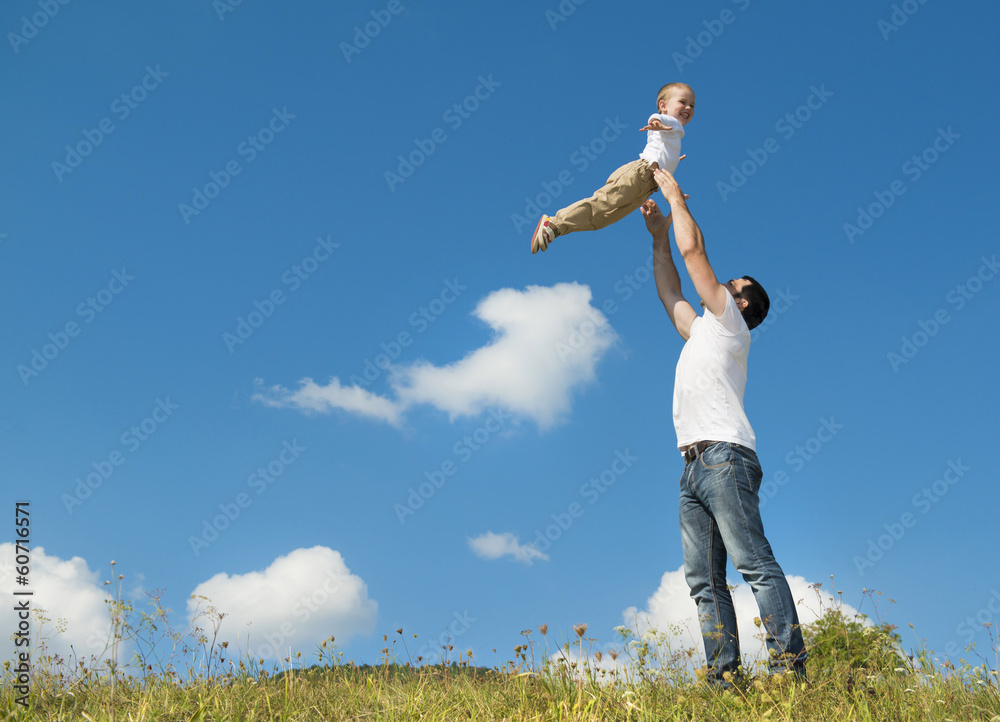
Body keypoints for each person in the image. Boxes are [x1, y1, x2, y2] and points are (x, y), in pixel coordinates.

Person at [641, 167, 806, 688]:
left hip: (725, 457)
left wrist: (673, 195)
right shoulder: (702, 334)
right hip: (693, 467)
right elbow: (670, 289)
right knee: (704, 583)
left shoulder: (732, 327)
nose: (720, 282)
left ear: (740, 304)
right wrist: (658, 235)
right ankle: (724, 678)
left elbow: (696, 259)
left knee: (753, 562)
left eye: (729, 285)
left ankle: (789, 669)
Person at [530, 83, 695, 254]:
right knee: (603, 202)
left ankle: (556, 230)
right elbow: (656, 118)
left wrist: (673, 167)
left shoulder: (673, 134)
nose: (688, 108)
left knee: (602, 219)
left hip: (647, 188)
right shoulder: (671, 122)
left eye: (692, 105)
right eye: (683, 102)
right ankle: (554, 222)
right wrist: (656, 123)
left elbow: (663, 150)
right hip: (640, 174)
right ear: (663, 106)